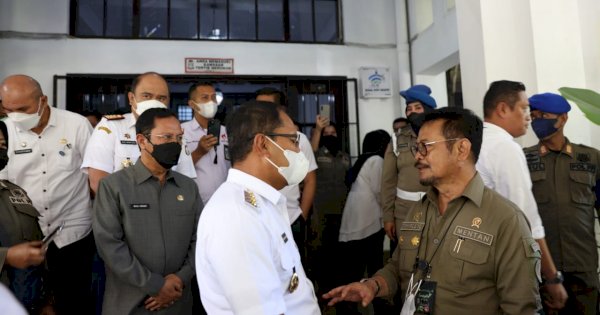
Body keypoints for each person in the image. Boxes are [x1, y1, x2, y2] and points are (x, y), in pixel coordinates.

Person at [324, 107, 542, 315]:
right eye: (416, 147)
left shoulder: (506, 221)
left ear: (461, 149)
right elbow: (398, 266)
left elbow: (521, 308)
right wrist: (373, 285)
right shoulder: (418, 211)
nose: (417, 156)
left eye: (426, 146)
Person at [196, 100, 320, 314]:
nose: (299, 150)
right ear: (262, 144)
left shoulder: (264, 203)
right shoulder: (236, 216)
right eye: (293, 140)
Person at [0, 74, 95, 314]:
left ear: (43, 100)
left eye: (23, 109)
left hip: (73, 234)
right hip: (26, 241)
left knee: (75, 302)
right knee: (31, 302)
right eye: (9, 109)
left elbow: (94, 176)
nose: (16, 116)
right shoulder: (5, 131)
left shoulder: (77, 125)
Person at [93, 108, 203, 314]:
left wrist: (180, 278)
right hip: (130, 303)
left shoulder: (188, 187)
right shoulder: (113, 186)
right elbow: (109, 245)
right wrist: (155, 285)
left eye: (179, 138)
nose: (175, 143)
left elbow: (201, 239)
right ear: (142, 141)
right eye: (166, 137)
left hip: (177, 300)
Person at [476, 80, 568, 310]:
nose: (529, 117)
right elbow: (526, 220)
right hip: (505, 264)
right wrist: (551, 277)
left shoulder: (474, 141)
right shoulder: (504, 147)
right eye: (525, 109)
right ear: (503, 109)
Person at [524, 93, 600, 315]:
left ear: (563, 118)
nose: (538, 121)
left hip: (583, 265)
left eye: (545, 116)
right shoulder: (523, 159)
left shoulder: (591, 159)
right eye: (534, 116)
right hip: (542, 268)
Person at [82, 72, 196, 197]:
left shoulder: (174, 132)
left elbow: (186, 181)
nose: (154, 102)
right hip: (123, 211)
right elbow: (98, 182)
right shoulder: (110, 127)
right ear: (131, 98)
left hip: (166, 209)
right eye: (147, 96)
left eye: (161, 98)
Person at [255, 88, 317, 260]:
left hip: (291, 218)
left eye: (267, 106)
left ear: (281, 109)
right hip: (259, 219)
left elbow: (310, 179)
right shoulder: (252, 140)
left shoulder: (298, 139)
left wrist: (302, 215)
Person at [381, 85, 435, 255]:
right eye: (409, 109)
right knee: (405, 258)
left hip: (436, 207)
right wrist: (388, 216)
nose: (412, 112)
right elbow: (388, 181)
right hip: (405, 211)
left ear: (428, 110)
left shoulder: (442, 135)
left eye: (418, 108)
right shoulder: (398, 139)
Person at [0, 121, 47, 313]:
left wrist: (45, 299)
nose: (0, 149)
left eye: (2, 145)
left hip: (27, 303)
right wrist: (6, 257)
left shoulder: (15, 192)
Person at [339, 129, 390, 286]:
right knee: (374, 263)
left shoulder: (363, 159)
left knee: (354, 266)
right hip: (369, 219)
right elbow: (380, 191)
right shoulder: (376, 160)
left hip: (356, 217)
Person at [182, 82, 230, 204]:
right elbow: (175, 169)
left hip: (224, 201)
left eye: (213, 97)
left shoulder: (227, 132)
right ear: (192, 105)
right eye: (205, 98)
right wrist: (199, 152)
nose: (211, 102)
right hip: (194, 202)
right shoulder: (181, 132)